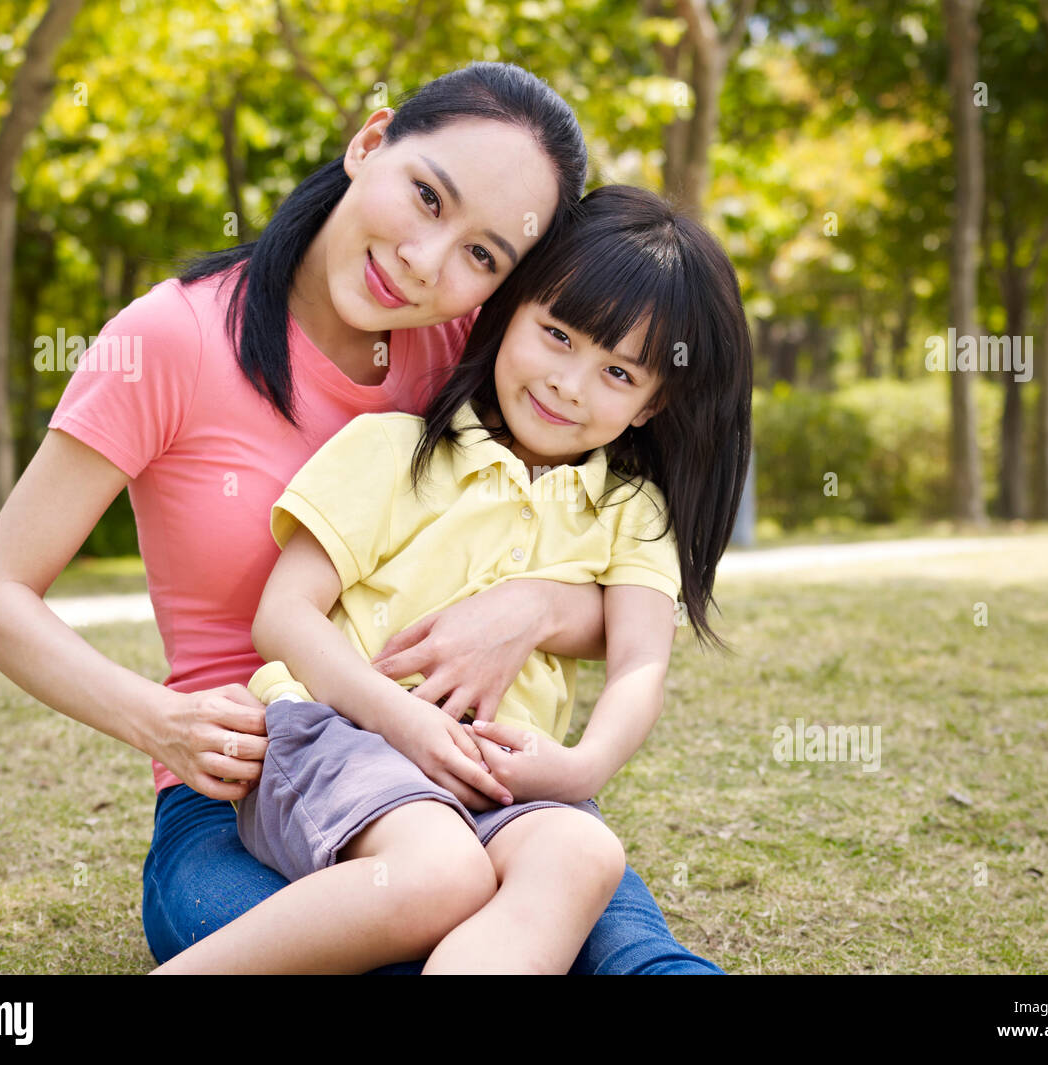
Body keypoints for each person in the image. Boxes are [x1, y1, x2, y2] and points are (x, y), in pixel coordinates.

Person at [0, 61, 729, 973]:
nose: (426, 263)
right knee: (405, 926)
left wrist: (529, 607)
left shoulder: (473, 353)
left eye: (483, 255)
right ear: (372, 142)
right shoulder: (165, 341)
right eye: (427, 198)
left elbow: (619, 601)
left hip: (462, 769)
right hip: (255, 774)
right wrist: (158, 720)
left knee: (603, 924)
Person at [151, 183, 753, 974]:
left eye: (618, 373)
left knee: (583, 850)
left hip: (496, 773)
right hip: (342, 735)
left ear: (651, 404)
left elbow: (641, 660)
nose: (571, 383)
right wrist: (402, 722)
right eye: (558, 335)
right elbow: (285, 615)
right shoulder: (398, 449)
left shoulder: (631, 511)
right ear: (506, 315)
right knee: (441, 872)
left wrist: (581, 767)